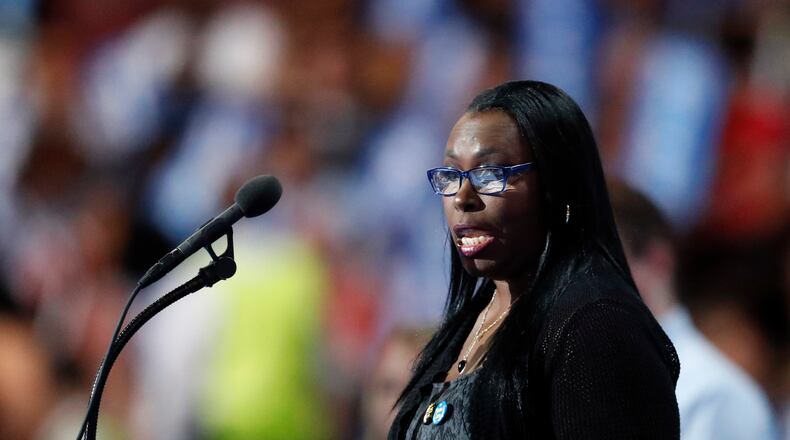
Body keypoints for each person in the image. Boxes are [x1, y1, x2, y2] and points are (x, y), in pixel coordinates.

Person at [388, 80, 680, 439]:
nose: (462, 197)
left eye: (489, 174)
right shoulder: (471, 320)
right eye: (452, 175)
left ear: (557, 188)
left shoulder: (595, 327)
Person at [609, 181, 780, 440]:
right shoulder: (580, 377)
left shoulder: (711, 395)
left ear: (658, 261)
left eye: (606, 260)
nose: (586, 281)